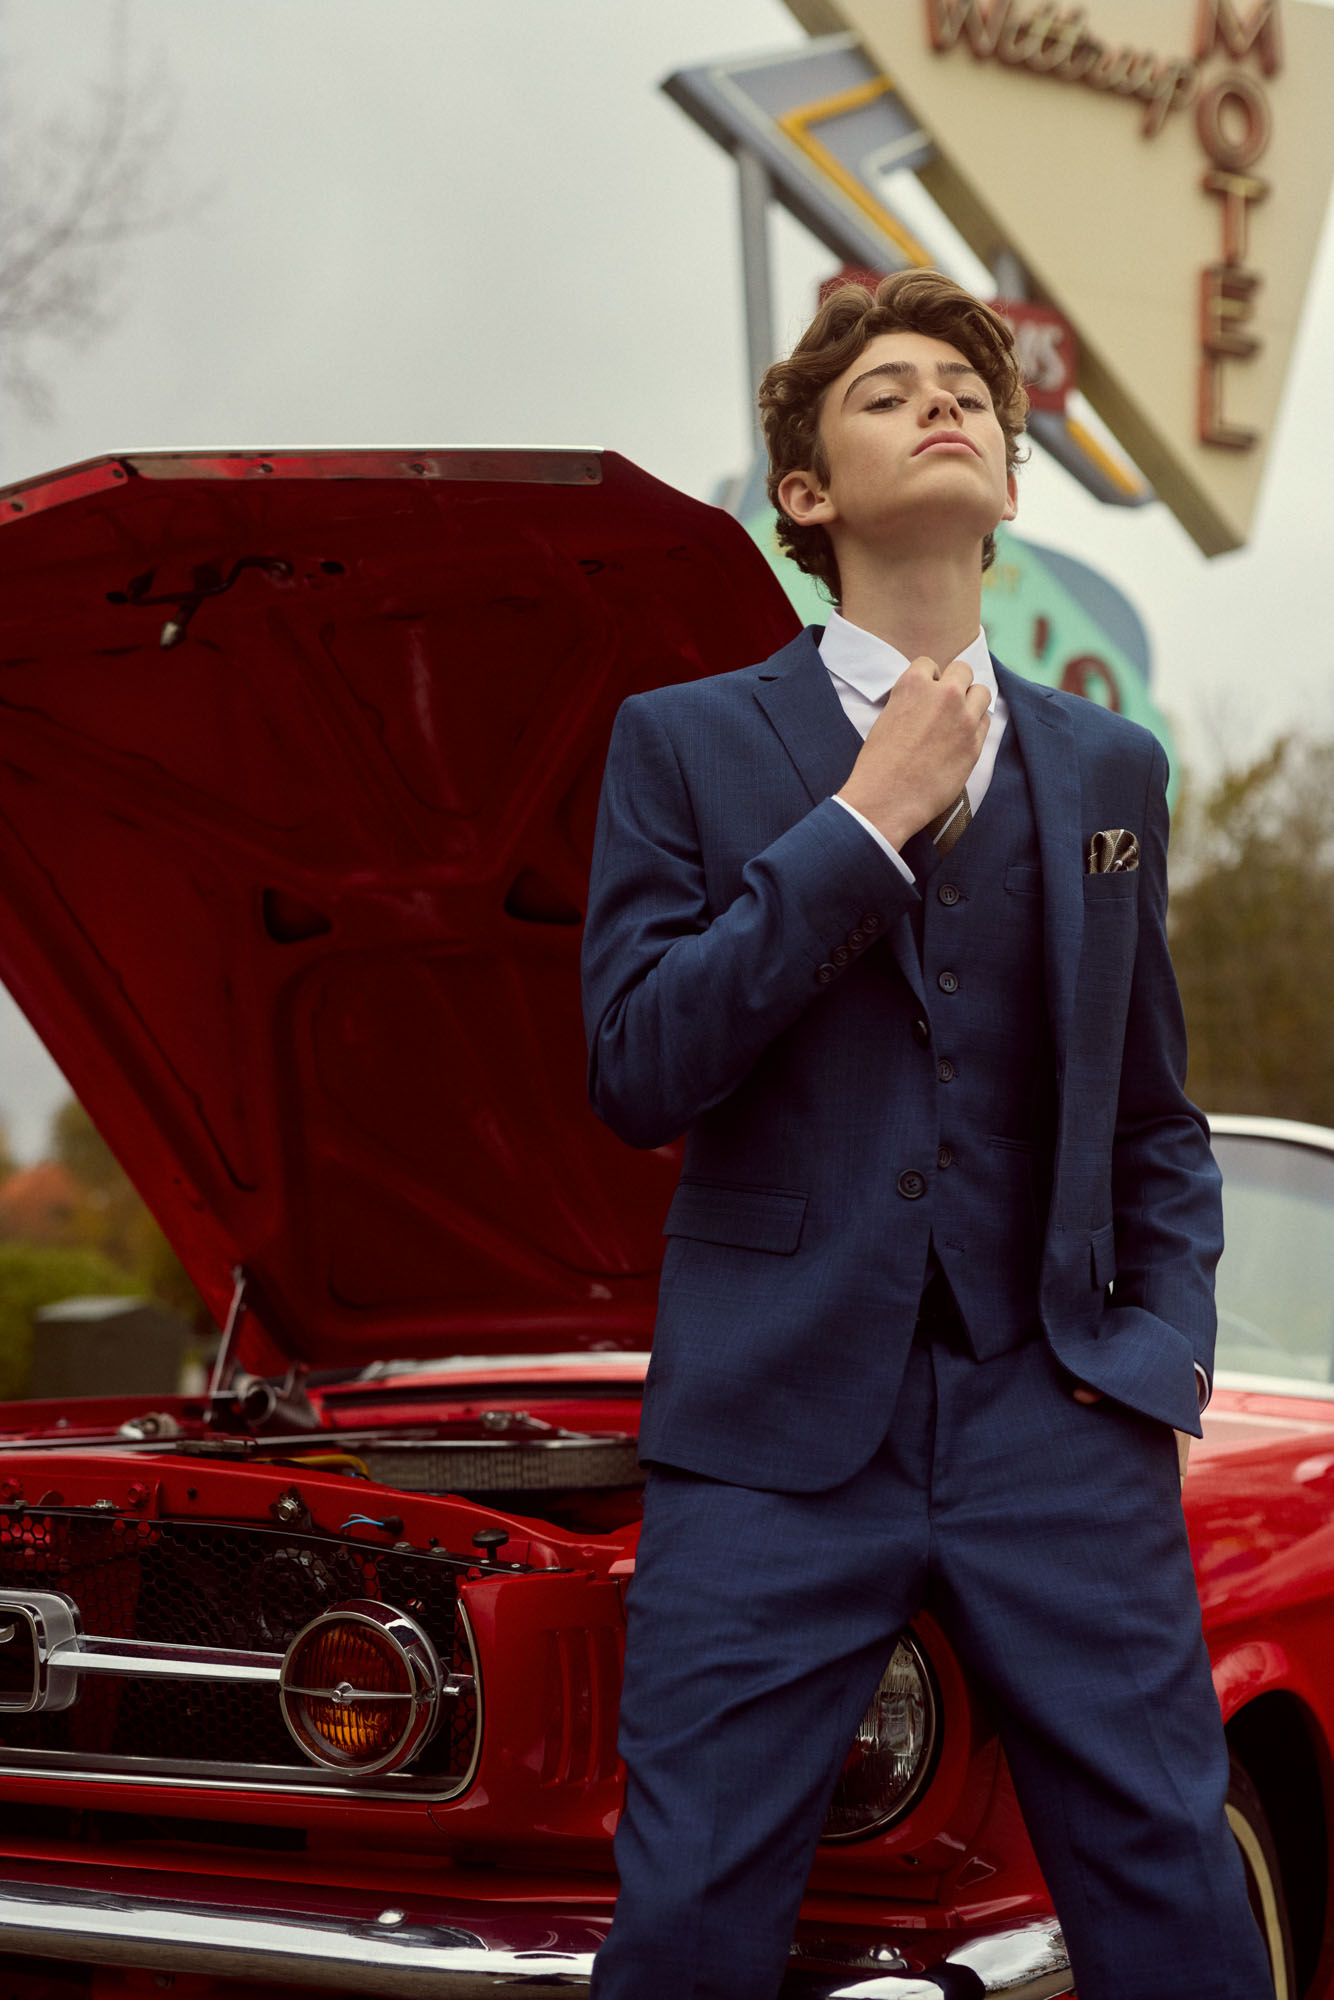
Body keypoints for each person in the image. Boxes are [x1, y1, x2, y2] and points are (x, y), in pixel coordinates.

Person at [580, 270, 1270, 2000]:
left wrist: (1156, 1365)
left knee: (1176, 1898)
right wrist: (863, 821)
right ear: (802, 492)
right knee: (685, 1930)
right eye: (884, 392)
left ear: (1013, 485)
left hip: (1061, 1417)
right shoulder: (680, 743)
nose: (942, 401)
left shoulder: (1106, 765)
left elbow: (1155, 1118)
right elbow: (636, 1064)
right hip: (767, 1430)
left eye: (966, 388)